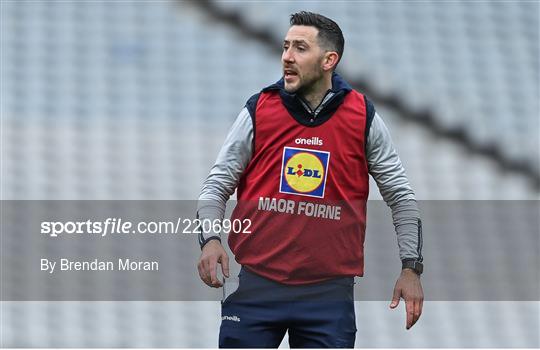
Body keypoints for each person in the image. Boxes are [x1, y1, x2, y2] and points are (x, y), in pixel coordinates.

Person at [197, 11, 424, 348]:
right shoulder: (259, 108)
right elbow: (216, 184)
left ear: (329, 59)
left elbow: (400, 197)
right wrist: (211, 239)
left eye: (300, 48)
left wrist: (411, 267)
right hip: (255, 286)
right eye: (286, 47)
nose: (287, 56)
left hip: (329, 296)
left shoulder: (363, 117)